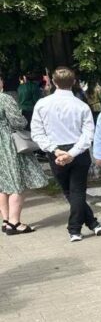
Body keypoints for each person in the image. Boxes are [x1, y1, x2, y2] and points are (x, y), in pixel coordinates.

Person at [30, 67, 101, 242]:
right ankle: (90, 224)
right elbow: (88, 134)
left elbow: (37, 132)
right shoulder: (81, 106)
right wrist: (71, 153)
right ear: (73, 82)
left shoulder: (42, 104)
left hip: (55, 150)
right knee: (77, 191)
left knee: (69, 191)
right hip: (78, 150)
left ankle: (75, 228)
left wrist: (54, 149)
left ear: (53, 82)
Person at [0, 78, 48, 234]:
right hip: (7, 143)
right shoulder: (4, 98)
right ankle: (14, 223)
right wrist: (23, 120)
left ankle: (6, 220)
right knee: (17, 181)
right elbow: (17, 121)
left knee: (3, 184)